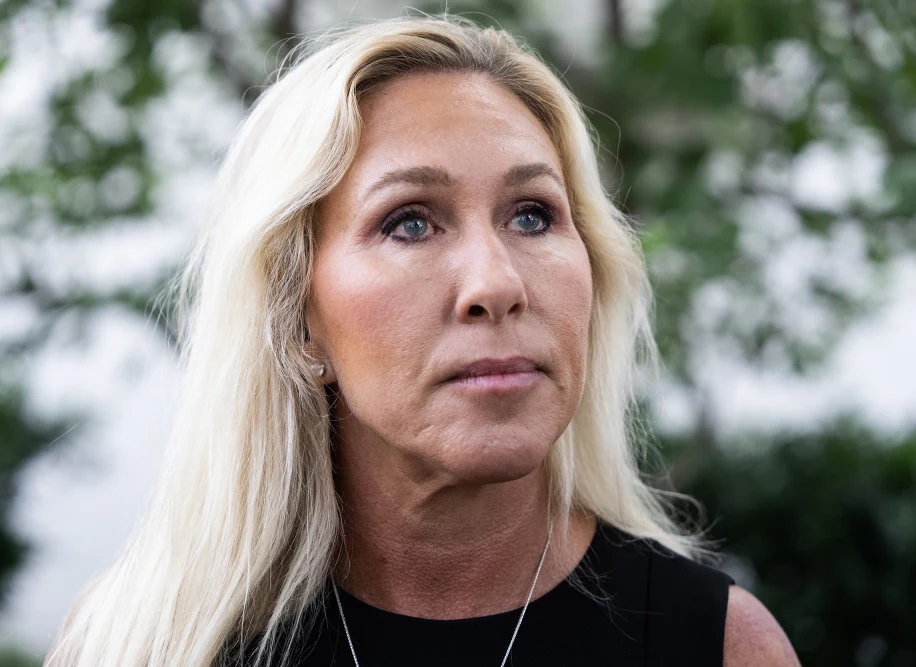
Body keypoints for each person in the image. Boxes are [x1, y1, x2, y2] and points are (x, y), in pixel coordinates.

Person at [45, 14, 800, 667]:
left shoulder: (722, 646)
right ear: (297, 318)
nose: (496, 283)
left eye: (532, 215)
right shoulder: (139, 640)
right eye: (410, 222)